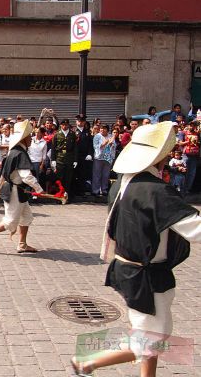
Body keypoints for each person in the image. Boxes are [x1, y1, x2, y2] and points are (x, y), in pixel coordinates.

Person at [71, 121, 201, 377]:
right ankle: (87, 361)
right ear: (161, 155)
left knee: (149, 332)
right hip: (144, 276)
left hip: (129, 270)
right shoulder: (155, 190)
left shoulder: (125, 182)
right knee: (152, 338)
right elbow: (195, 228)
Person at [0, 120, 44, 253]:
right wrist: (39, 188)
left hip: (19, 191)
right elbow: (26, 176)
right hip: (14, 191)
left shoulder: (15, 151)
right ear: (24, 139)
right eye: (29, 137)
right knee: (10, 222)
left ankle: (22, 244)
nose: (31, 139)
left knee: (26, 217)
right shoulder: (19, 153)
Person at [51, 119, 78, 201]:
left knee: (68, 178)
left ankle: (66, 197)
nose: (64, 126)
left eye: (66, 125)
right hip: (59, 158)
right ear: (61, 125)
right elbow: (53, 148)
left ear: (68, 125)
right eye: (63, 125)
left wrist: (75, 160)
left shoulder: (72, 134)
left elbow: (75, 148)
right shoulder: (57, 134)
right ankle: (59, 196)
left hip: (69, 159)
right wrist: (53, 159)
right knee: (60, 178)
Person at [92, 124, 116, 196]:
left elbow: (114, 145)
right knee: (97, 175)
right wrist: (104, 143)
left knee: (106, 175)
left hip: (108, 158)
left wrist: (112, 144)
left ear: (107, 130)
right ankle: (95, 190)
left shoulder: (110, 136)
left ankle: (104, 189)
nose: (102, 130)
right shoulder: (97, 136)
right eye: (101, 128)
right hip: (98, 158)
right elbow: (95, 146)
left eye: (104, 128)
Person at [74, 114, 93, 195]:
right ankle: (74, 191)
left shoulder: (87, 132)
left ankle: (82, 191)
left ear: (84, 122)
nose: (80, 122)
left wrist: (90, 154)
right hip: (75, 156)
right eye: (79, 121)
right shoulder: (73, 131)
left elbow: (90, 145)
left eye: (82, 121)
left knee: (83, 174)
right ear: (76, 121)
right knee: (75, 174)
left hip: (84, 156)